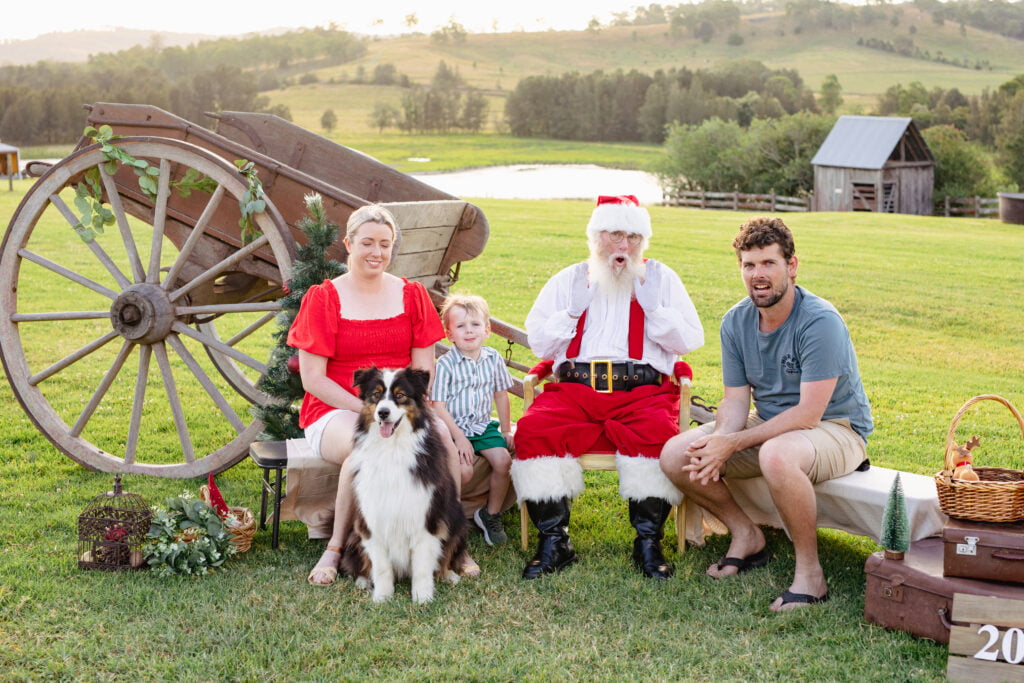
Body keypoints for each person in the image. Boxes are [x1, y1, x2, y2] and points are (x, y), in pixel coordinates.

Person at [660, 216, 873, 611]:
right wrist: (719, 439)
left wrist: (734, 442)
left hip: (836, 427)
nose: (758, 275)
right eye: (749, 265)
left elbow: (809, 413)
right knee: (677, 454)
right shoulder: (735, 321)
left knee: (776, 454)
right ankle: (746, 535)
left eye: (768, 264)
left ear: (791, 266)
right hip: (773, 424)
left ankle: (810, 574)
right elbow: (737, 401)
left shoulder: (820, 321)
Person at [511, 194, 704, 580]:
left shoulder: (661, 279)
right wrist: (571, 311)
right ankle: (554, 540)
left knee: (659, 437)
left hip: (642, 393)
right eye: (615, 234)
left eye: (633, 237)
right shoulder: (568, 280)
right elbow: (541, 345)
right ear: (596, 236)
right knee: (535, 430)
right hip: (575, 390)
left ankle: (648, 540)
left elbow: (689, 340)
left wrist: (653, 308)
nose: (624, 247)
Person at [287, 204, 476, 585]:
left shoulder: (412, 294)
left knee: (438, 440)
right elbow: (313, 379)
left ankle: (453, 546)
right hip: (336, 407)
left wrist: (400, 410)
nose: (376, 252)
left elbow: (423, 372)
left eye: (385, 244)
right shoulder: (323, 298)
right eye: (367, 243)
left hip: (401, 405)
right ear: (348, 244)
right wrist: (372, 410)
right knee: (366, 447)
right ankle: (335, 547)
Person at [432, 294, 515, 546]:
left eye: (475, 325)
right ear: (450, 334)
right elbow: (438, 406)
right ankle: (447, 516)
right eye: (460, 326)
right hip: (453, 429)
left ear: (487, 330)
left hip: (481, 425)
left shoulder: (493, 359)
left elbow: (501, 395)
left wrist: (505, 428)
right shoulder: (446, 365)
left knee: (503, 461)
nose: (469, 331)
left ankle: (490, 514)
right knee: (465, 472)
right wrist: (458, 438)